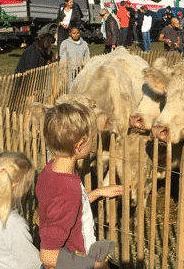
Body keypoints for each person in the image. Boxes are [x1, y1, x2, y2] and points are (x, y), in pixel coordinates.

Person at [37, 102, 122, 269]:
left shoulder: (51, 171)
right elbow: (48, 256)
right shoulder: (67, 190)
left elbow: (66, 207)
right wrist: (94, 264)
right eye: (91, 138)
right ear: (80, 145)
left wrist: (97, 193)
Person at [0, 151, 41, 269]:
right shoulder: (13, 223)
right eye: (27, 184)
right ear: (15, 187)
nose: (29, 189)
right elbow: (32, 264)